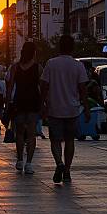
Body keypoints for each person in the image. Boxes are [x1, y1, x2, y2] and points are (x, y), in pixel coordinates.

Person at [41, 35, 90, 184]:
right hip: (72, 109)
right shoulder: (78, 66)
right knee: (70, 140)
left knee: (55, 140)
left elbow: (43, 86)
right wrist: (87, 108)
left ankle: (59, 163)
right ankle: (67, 170)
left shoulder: (51, 64)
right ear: (72, 48)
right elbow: (83, 90)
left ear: (59, 47)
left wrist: (42, 104)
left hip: (54, 108)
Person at [7, 42, 42, 174]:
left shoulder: (15, 67)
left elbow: (10, 87)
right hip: (33, 102)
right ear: (33, 52)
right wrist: (44, 103)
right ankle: (29, 163)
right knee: (32, 135)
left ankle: (20, 160)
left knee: (20, 133)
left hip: (19, 102)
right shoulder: (38, 68)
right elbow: (42, 87)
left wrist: (8, 103)